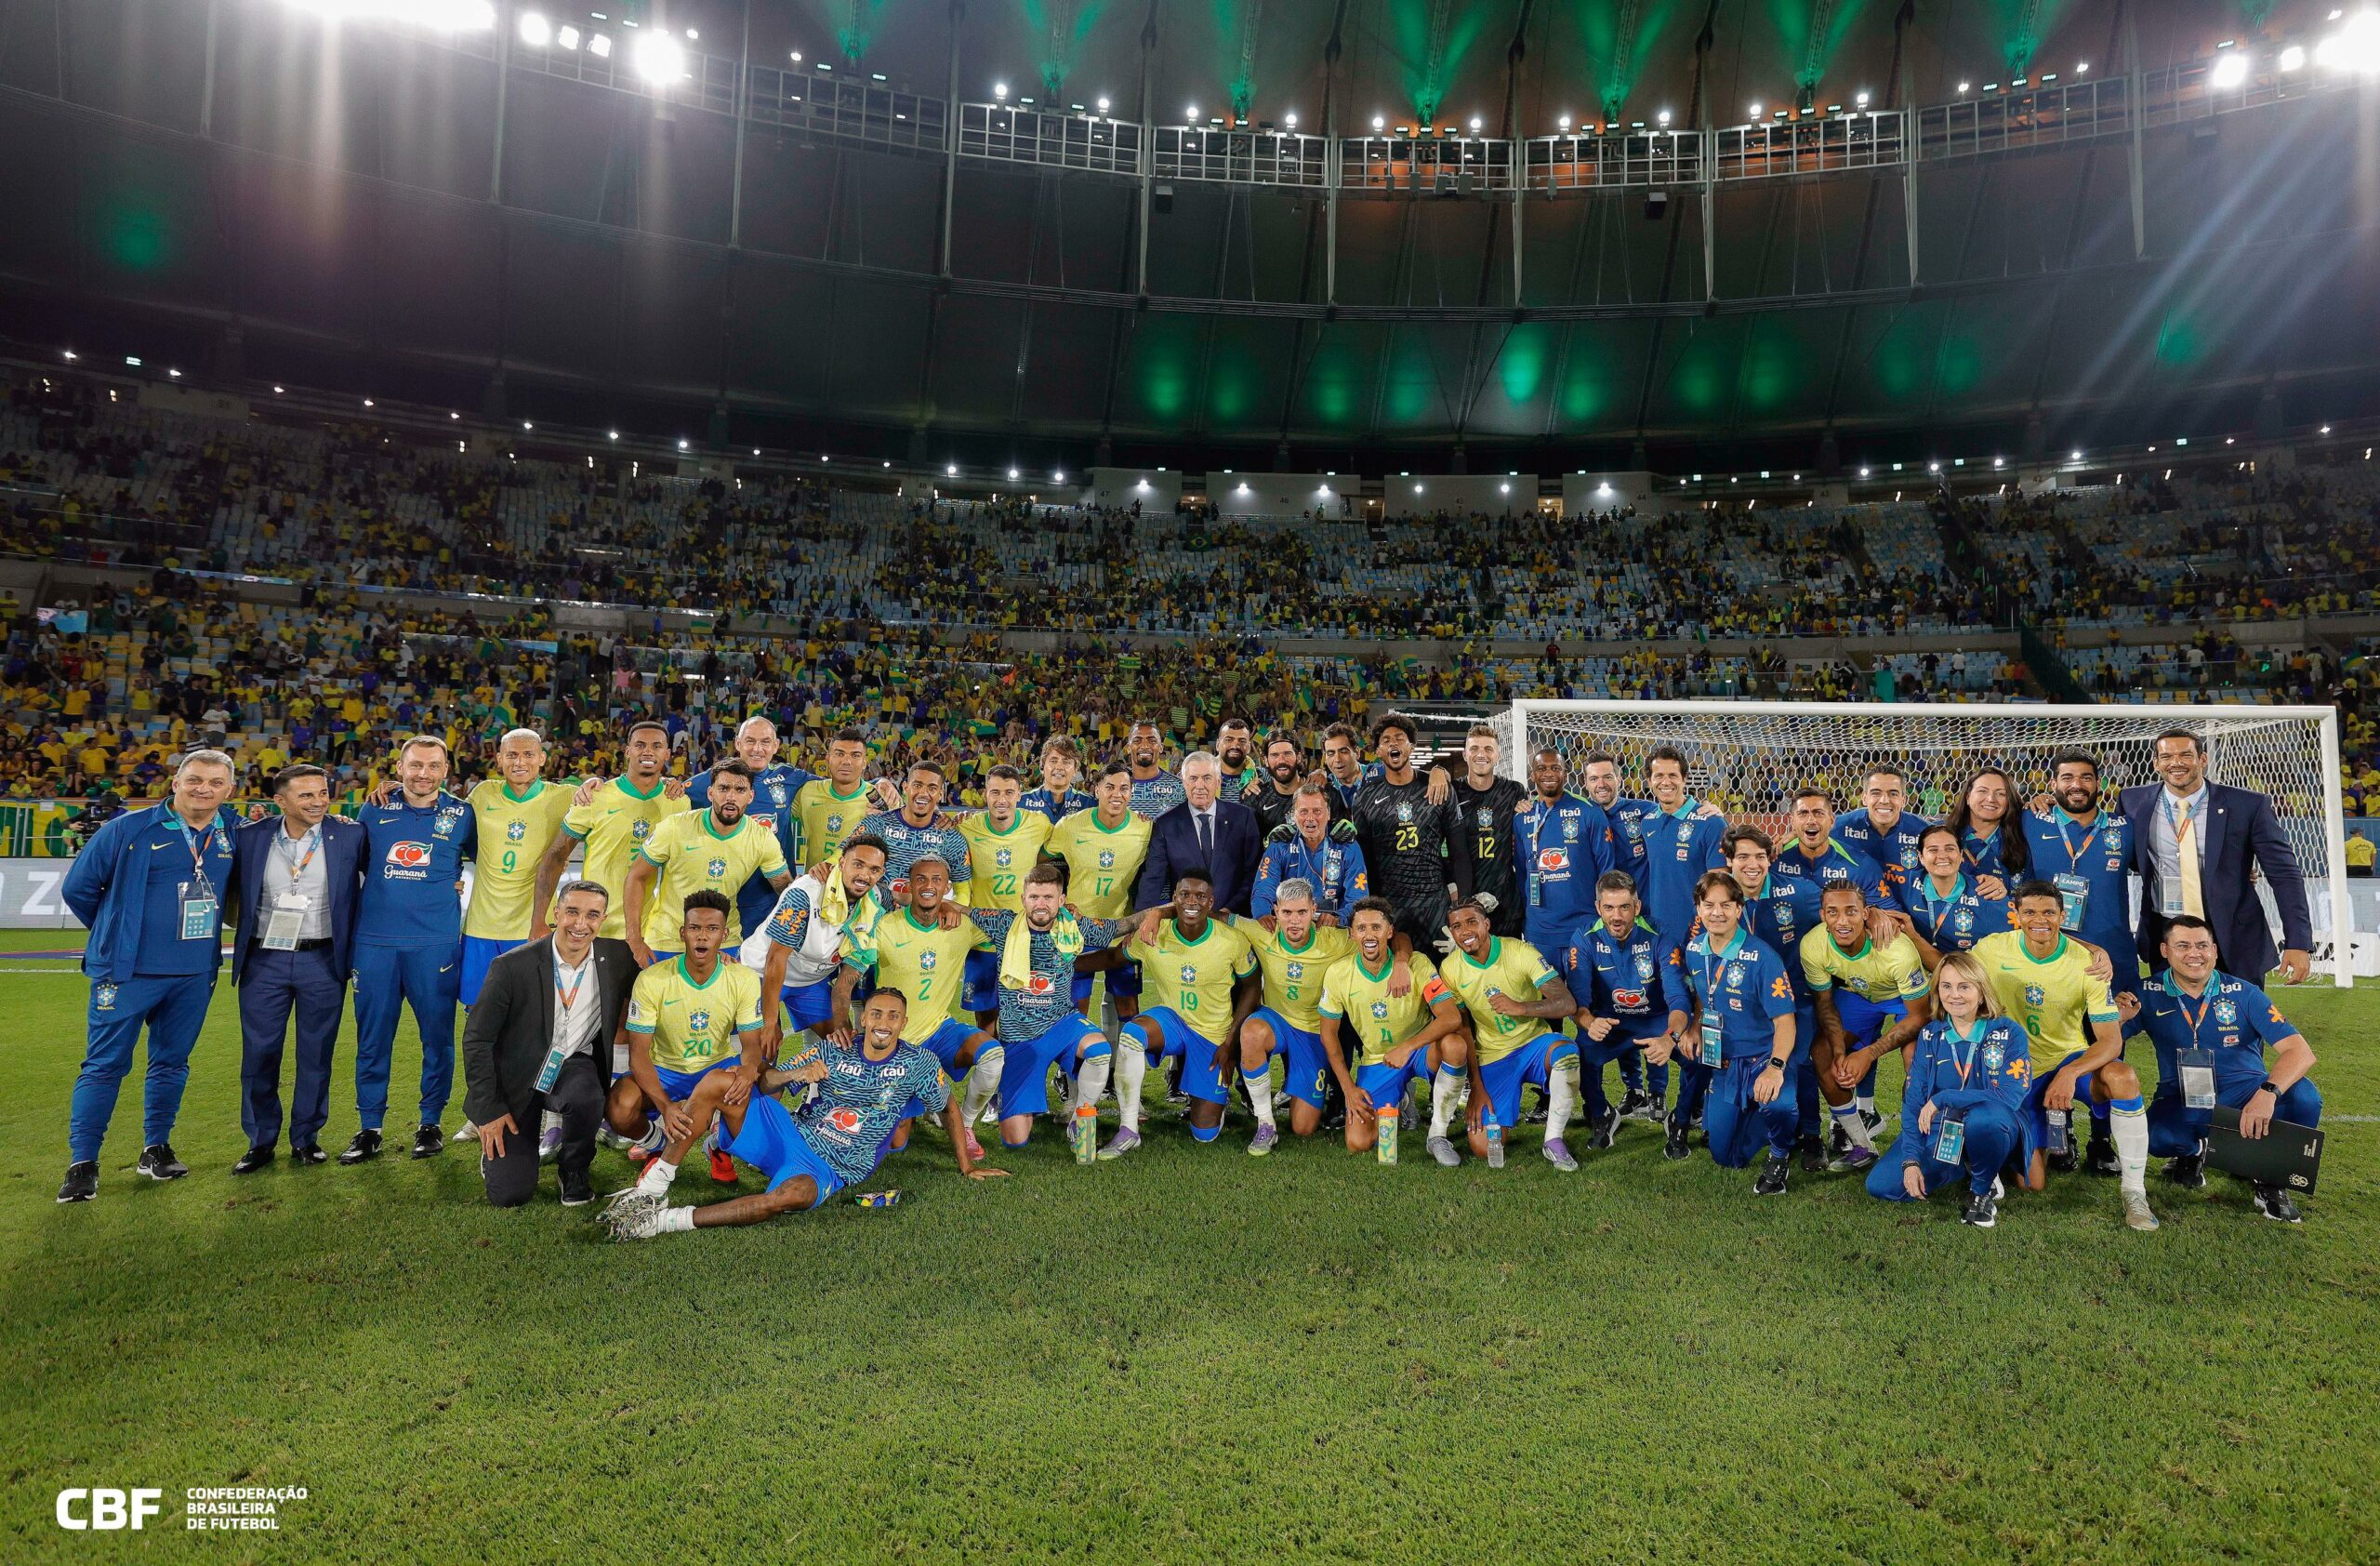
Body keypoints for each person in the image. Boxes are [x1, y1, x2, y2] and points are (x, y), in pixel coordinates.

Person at [599, 989, 1005, 1240]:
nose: (883, 1023)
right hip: (789, 1133)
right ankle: (653, 1187)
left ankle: (664, 1222)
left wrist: (966, 1166)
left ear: (904, 1022)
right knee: (720, 1082)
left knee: (790, 1198)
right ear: (864, 1019)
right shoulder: (834, 1046)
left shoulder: (918, 1064)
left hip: (830, 1168)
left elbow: (949, 1106)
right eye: (876, 1014)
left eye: (893, 1016)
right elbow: (765, 1083)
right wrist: (799, 1071)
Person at [56, 750, 242, 1201]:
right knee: (104, 1066)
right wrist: (116, 932)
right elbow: (77, 889)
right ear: (175, 782)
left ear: (229, 790)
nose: (204, 789)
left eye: (216, 783)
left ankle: (155, 1148)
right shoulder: (127, 829)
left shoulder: (233, 831)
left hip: (195, 973)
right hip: (127, 971)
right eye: (195, 779)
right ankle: (83, 1163)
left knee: (171, 1063)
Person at [1973, 881, 2160, 1231]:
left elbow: (2109, 1041)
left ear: (2063, 915)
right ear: (2016, 915)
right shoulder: (1991, 949)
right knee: (2032, 1184)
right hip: (2017, 1068)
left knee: (2123, 1077)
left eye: (2048, 912)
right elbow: (1955, 974)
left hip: (2067, 1058)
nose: (2039, 920)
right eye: (2029, 912)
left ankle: (2135, 1193)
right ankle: (2018, 1142)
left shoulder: (2088, 963)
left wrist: (2070, 1072)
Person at [460, 881, 640, 1208]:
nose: (580, 924)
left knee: (588, 1095)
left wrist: (721, 963)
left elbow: (662, 978)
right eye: (572, 912)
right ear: (556, 913)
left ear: (603, 919)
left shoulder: (616, 957)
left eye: (592, 915)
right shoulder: (512, 966)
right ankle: (500, 1159)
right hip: (517, 1074)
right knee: (510, 1194)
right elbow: (477, 1039)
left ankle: (573, 1169)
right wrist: (488, 1111)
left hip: (572, 1065)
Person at [230, 763, 367, 1174]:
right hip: (264, 960)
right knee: (259, 1053)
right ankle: (260, 1141)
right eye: (306, 795)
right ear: (280, 800)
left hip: (323, 959)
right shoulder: (249, 837)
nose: (319, 801)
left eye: (323, 793)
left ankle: (306, 1138)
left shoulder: (350, 834)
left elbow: (389, 878)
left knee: (316, 1054)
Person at [2139, 915, 2321, 1223]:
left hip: (2245, 1091)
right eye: (2182, 945)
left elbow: (2300, 1052)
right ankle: (2197, 1151)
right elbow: (2108, 1038)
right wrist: (2115, 1017)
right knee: (2156, 1137)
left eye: (2202, 945)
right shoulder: (2146, 991)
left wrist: (2268, 1092)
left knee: (2305, 1097)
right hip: (2181, 1093)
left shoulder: (2244, 992)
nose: (2194, 954)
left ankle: (2270, 1180)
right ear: (2164, 950)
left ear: (2214, 949)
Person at [348, 735, 477, 1163]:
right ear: (399, 768)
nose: (424, 774)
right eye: (415, 765)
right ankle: (370, 1127)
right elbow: (360, 864)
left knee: (437, 1039)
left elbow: (482, 862)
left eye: (434, 766)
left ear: (446, 771)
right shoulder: (374, 808)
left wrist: (451, 884)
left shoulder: (463, 815)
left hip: (435, 944)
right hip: (376, 943)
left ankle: (430, 1122)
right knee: (372, 1038)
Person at [953, 863, 1136, 1151]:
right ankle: (1014, 1103)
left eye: (1048, 897)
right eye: (1035, 897)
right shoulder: (1003, 923)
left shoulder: (1074, 925)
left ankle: (1081, 1118)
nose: (1041, 904)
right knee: (1015, 1139)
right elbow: (961, 910)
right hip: (1019, 1038)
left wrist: (1162, 912)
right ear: (1023, 899)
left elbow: (1123, 925)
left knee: (1100, 1050)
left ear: (1061, 900)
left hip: (1062, 1023)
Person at [2121, 728, 2313, 988]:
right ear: (2156, 763)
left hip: (2233, 934)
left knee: (2238, 1024)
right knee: (2174, 1025)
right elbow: (2127, 857)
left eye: (2185, 755)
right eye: (2166, 756)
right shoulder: (2132, 801)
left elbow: (2285, 875)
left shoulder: (2248, 805)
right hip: (2166, 931)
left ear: (2203, 759)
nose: (2176, 763)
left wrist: (2298, 941)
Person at [835, 854, 998, 1158]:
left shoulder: (962, 925)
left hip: (940, 1030)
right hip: (899, 1042)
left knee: (993, 1056)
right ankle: (918, 1101)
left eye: (937, 880)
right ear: (908, 885)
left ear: (947, 887)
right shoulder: (884, 927)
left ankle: (966, 1124)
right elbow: (844, 982)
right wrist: (842, 1026)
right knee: (896, 1144)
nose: (928, 886)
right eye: (921, 879)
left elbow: (1010, 923)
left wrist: (958, 907)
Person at [1864, 949, 2034, 1228]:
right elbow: (1915, 1100)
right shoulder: (1931, 1034)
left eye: (1964, 986)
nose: (1954, 995)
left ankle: (1982, 1191)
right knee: (1881, 1185)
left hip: (1995, 1121)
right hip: (1944, 1128)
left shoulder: (2007, 1032)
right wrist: (1910, 1161)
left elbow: (2009, 1096)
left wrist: (1945, 1097)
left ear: (1981, 991)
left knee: (1984, 1121)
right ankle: (1961, 1162)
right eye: (1946, 986)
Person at [1654, 870, 1798, 1193]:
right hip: (1726, 1061)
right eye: (1708, 905)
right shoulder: (1694, 950)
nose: (1716, 912)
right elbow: (1703, 997)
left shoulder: (1763, 957)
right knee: (1726, 1157)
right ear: (1698, 909)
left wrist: (1775, 1069)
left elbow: (1785, 1022)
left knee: (1779, 1106)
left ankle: (1780, 1153)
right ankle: (1753, 1115)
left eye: (1725, 905)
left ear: (1738, 909)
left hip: (1763, 1058)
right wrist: (1692, 1026)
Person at [602, 890, 764, 1169]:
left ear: (724, 935)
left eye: (712, 929)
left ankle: (718, 1144)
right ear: (682, 932)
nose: (702, 936)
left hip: (716, 1068)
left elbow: (751, 1044)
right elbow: (638, 1053)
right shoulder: (652, 979)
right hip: (665, 1069)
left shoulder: (744, 978)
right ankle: (657, 1143)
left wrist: (749, 1069)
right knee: (620, 1106)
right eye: (695, 928)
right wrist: (665, 1107)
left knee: (765, 1080)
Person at [1104, 871, 1263, 1153]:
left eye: (1200, 896)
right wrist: (1062, 963)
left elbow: (1251, 986)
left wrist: (1230, 1042)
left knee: (1205, 1133)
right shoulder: (1153, 934)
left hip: (1213, 1034)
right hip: (1173, 1022)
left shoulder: (1232, 940)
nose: (1192, 901)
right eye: (1185, 895)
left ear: (1210, 902)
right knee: (1132, 1035)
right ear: (1174, 899)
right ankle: (1128, 1129)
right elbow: (1112, 958)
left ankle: (1206, 1094)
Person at [1318, 897, 1469, 1165]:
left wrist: (1408, 1047)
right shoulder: (1338, 973)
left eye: (1376, 927)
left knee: (1455, 1046)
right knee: (1358, 1142)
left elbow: (1451, 1016)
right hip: (1379, 1058)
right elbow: (1329, 1035)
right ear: (1352, 934)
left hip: (1421, 1050)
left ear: (1390, 932)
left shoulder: (1417, 964)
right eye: (1361, 928)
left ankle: (1437, 1134)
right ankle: (1400, 1097)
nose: (1369, 935)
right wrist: (1348, 1089)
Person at [1435, 900, 1582, 1170]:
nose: (1465, 931)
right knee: (1482, 1148)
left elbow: (1566, 1004)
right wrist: (1477, 1086)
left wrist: (1520, 1007)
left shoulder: (1520, 951)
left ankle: (1553, 1141)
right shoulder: (1450, 968)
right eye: (1457, 926)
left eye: (1471, 922)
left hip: (1534, 1044)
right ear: (1452, 933)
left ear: (1486, 924)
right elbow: (1463, 1027)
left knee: (1567, 1055)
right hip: (1494, 1055)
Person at [1801, 881, 1933, 1174]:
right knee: (1821, 1052)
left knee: (1916, 1060)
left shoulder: (1896, 948)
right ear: (1823, 915)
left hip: (1905, 999)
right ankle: (1862, 1146)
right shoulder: (1813, 945)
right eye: (1833, 912)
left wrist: (1869, 1054)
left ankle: (1919, 1148)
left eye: (1851, 911)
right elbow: (1825, 1005)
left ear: (1865, 913)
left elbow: (1918, 1017)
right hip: (1859, 996)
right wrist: (1839, 1052)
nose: (1842, 921)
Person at [1559, 871, 1688, 1150]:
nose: (1616, 916)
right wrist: (1589, 1022)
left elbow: (1679, 998)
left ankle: (1683, 1116)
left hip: (1657, 1021)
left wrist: (1670, 1037)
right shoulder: (1583, 939)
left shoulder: (1661, 935)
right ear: (1598, 908)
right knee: (1579, 1051)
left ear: (1637, 907)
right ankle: (1601, 1113)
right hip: (1612, 1023)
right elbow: (1577, 1002)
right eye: (1608, 908)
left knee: (1696, 1053)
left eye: (1624, 907)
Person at [1225, 878, 1354, 1154]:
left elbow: (1383, 939)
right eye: (1286, 913)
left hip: (1313, 1031)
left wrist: (1403, 961)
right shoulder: (1262, 932)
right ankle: (1265, 1123)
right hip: (1276, 1020)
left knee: (1303, 1127)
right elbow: (1214, 915)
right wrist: (1157, 914)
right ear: (1275, 911)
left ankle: (1297, 1093)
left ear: (1314, 910)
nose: (1294, 921)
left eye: (1302, 913)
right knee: (1251, 1032)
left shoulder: (1335, 940)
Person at [622, 760, 791, 967]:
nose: (731, 796)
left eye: (740, 790)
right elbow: (636, 876)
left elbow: (785, 890)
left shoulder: (762, 838)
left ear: (750, 796)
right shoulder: (675, 827)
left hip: (724, 942)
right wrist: (634, 938)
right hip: (668, 939)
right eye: (723, 788)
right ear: (710, 793)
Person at [535, 721, 690, 944]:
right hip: (595, 928)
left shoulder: (678, 801)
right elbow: (557, 854)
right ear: (627, 751)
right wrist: (540, 918)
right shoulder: (595, 795)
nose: (647, 751)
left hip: (650, 930)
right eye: (640, 745)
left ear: (667, 754)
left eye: (656, 746)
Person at [459, 728, 575, 1007]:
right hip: (481, 926)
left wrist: (677, 785)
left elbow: (614, 793)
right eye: (511, 755)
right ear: (499, 759)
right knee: (476, 1010)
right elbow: (449, 825)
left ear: (543, 759)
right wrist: (398, 789)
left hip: (532, 927)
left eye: (528, 755)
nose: (519, 762)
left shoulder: (565, 796)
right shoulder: (484, 793)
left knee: (529, 1012)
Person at [750, 833, 891, 1053]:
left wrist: (842, 1021)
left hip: (808, 981)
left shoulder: (874, 905)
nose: (864, 875)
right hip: (762, 973)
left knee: (842, 1044)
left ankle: (814, 1089)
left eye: (874, 870)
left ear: (881, 873)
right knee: (763, 1053)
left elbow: (846, 980)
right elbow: (776, 958)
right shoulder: (805, 894)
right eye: (858, 865)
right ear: (842, 863)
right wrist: (769, 1023)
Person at [684, 717, 812, 941]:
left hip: (771, 896)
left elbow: (839, 788)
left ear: (776, 746)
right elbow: (668, 792)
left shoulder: (789, 778)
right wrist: (600, 783)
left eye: (765, 742)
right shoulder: (712, 780)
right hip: (721, 896)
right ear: (738, 743)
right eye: (750, 741)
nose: (757, 749)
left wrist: (881, 783)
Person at [1044, 762, 1154, 1017]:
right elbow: (1041, 863)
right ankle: (1083, 1056)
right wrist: (1056, 900)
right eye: (1110, 787)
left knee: (1128, 1008)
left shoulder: (1145, 829)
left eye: (1124, 788)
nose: (1117, 794)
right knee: (1075, 1010)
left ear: (1131, 793)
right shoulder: (1070, 826)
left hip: (1121, 928)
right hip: (1076, 928)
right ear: (1097, 790)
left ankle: (1120, 1057)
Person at [956, 763, 1053, 1027]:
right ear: (985, 794)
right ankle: (990, 1067)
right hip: (981, 938)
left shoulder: (1039, 825)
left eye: (1009, 793)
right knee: (986, 1022)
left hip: (1024, 938)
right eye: (995, 792)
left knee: (1023, 1020)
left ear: (1020, 794)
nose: (1002, 800)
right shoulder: (966, 827)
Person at [1348, 715, 1457, 950]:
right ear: (1378, 751)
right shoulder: (1365, 797)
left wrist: (1460, 900)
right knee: (1398, 976)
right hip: (1390, 905)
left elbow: (1458, 848)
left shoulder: (1436, 787)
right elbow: (1364, 858)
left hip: (1434, 904)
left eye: (1400, 738)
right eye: (1386, 740)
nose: (1393, 743)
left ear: (1412, 745)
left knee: (1441, 978)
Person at [1508, 746, 1616, 957]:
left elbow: (1607, 869)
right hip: (1540, 930)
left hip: (1584, 927)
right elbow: (1521, 873)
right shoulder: (1522, 817)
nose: (1548, 773)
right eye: (1542, 768)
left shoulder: (1589, 811)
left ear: (1565, 774)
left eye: (1555, 768)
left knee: (1584, 991)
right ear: (1533, 775)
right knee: (1546, 991)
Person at [1137, 750, 1264, 915]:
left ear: (1218, 782)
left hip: (1235, 920)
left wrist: (1228, 911)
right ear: (1183, 782)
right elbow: (1153, 880)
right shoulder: (1165, 824)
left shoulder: (1244, 817)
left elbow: (1254, 873)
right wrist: (1140, 922)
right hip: (1186, 924)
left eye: (1207, 778)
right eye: (1193, 778)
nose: (1200, 785)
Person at [1447, 725, 1528, 936]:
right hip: (1465, 899)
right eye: (1474, 748)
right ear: (1465, 754)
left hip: (1506, 901)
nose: (1481, 754)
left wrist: (1526, 809)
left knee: (1507, 965)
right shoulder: (1453, 792)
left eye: (1488, 749)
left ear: (1498, 755)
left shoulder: (1514, 791)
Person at [1898, 822, 2016, 964]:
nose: (1942, 856)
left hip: (1972, 976)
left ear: (1961, 855)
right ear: (1921, 857)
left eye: (1950, 849)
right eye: (1933, 850)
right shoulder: (1906, 885)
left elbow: (2014, 947)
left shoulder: (1987, 894)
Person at [1255, 784, 1368, 922]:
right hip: (1290, 924)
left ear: (1328, 814)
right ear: (1294, 815)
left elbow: (1358, 897)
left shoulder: (1347, 847)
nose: (1310, 818)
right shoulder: (1279, 845)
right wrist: (1262, 915)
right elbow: (1263, 889)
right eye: (1303, 812)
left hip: (1333, 927)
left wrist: (1340, 918)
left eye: (1317, 811)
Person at [1832, 765, 1931, 900]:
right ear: (1864, 798)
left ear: (1903, 800)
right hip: (1857, 914)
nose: (1884, 800)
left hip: (1909, 915)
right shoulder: (1838, 828)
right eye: (1876, 793)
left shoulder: (1925, 833)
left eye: (1893, 793)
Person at [791, 727, 879, 863]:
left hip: (861, 883)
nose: (846, 761)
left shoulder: (880, 799)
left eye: (855, 755)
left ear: (864, 763)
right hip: (815, 882)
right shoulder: (807, 791)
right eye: (839, 754)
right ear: (828, 759)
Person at [1944, 766, 2029, 888]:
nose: (1991, 799)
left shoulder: (2022, 842)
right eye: (1983, 791)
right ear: (1968, 797)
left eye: (2000, 794)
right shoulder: (1941, 835)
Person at [1242, 731, 1308, 836]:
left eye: (1287, 753)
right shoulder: (1255, 798)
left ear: (1298, 757)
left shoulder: (1322, 794)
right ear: (1266, 760)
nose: (1281, 760)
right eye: (1274, 755)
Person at [1018, 736, 1095, 825]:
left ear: (1076, 769)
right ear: (1041, 766)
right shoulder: (1020, 802)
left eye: (1066, 762)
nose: (1059, 767)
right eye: (1053, 761)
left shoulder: (1089, 804)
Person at [1122, 721, 1188, 820]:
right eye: (1137, 741)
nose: (1144, 746)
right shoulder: (1116, 788)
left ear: (1161, 747)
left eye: (1152, 741)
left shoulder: (1179, 787)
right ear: (1128, 748)